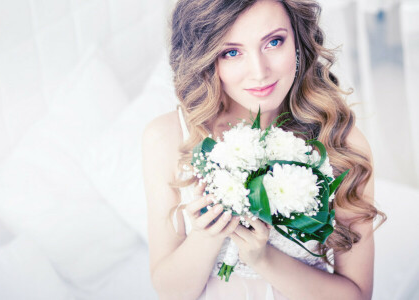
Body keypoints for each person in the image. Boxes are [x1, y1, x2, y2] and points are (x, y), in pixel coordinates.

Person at [142, 0, 386, 299]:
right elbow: (171, 292)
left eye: (273, 42)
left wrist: (264, 259)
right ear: (207, 59)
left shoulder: (342, 143)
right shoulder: (167, 137)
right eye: (231, 52)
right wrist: (207, 235)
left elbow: (357, 295)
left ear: (298, 41)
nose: (259, 72)